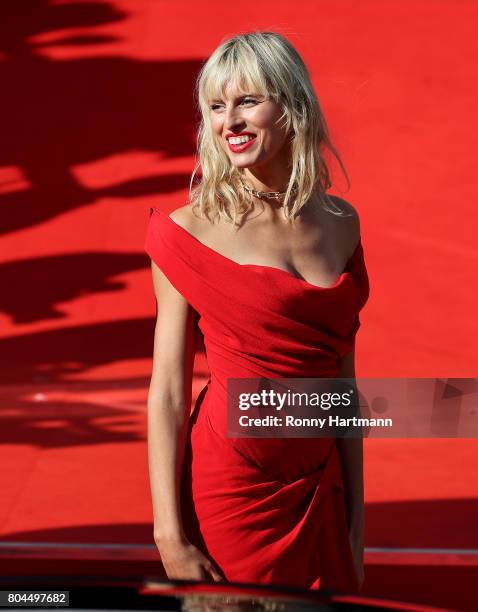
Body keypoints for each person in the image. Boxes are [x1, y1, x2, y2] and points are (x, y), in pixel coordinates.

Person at [144, 31, 369, 593]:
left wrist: (358, 521)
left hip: (322, 482)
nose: (230, 123)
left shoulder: (342, 223)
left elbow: (343, 383)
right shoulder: (185, 233)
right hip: (235, 486)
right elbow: (169, 390)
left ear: (292, 105)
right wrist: (168, 536)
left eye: (247, 101)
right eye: (217, 107)